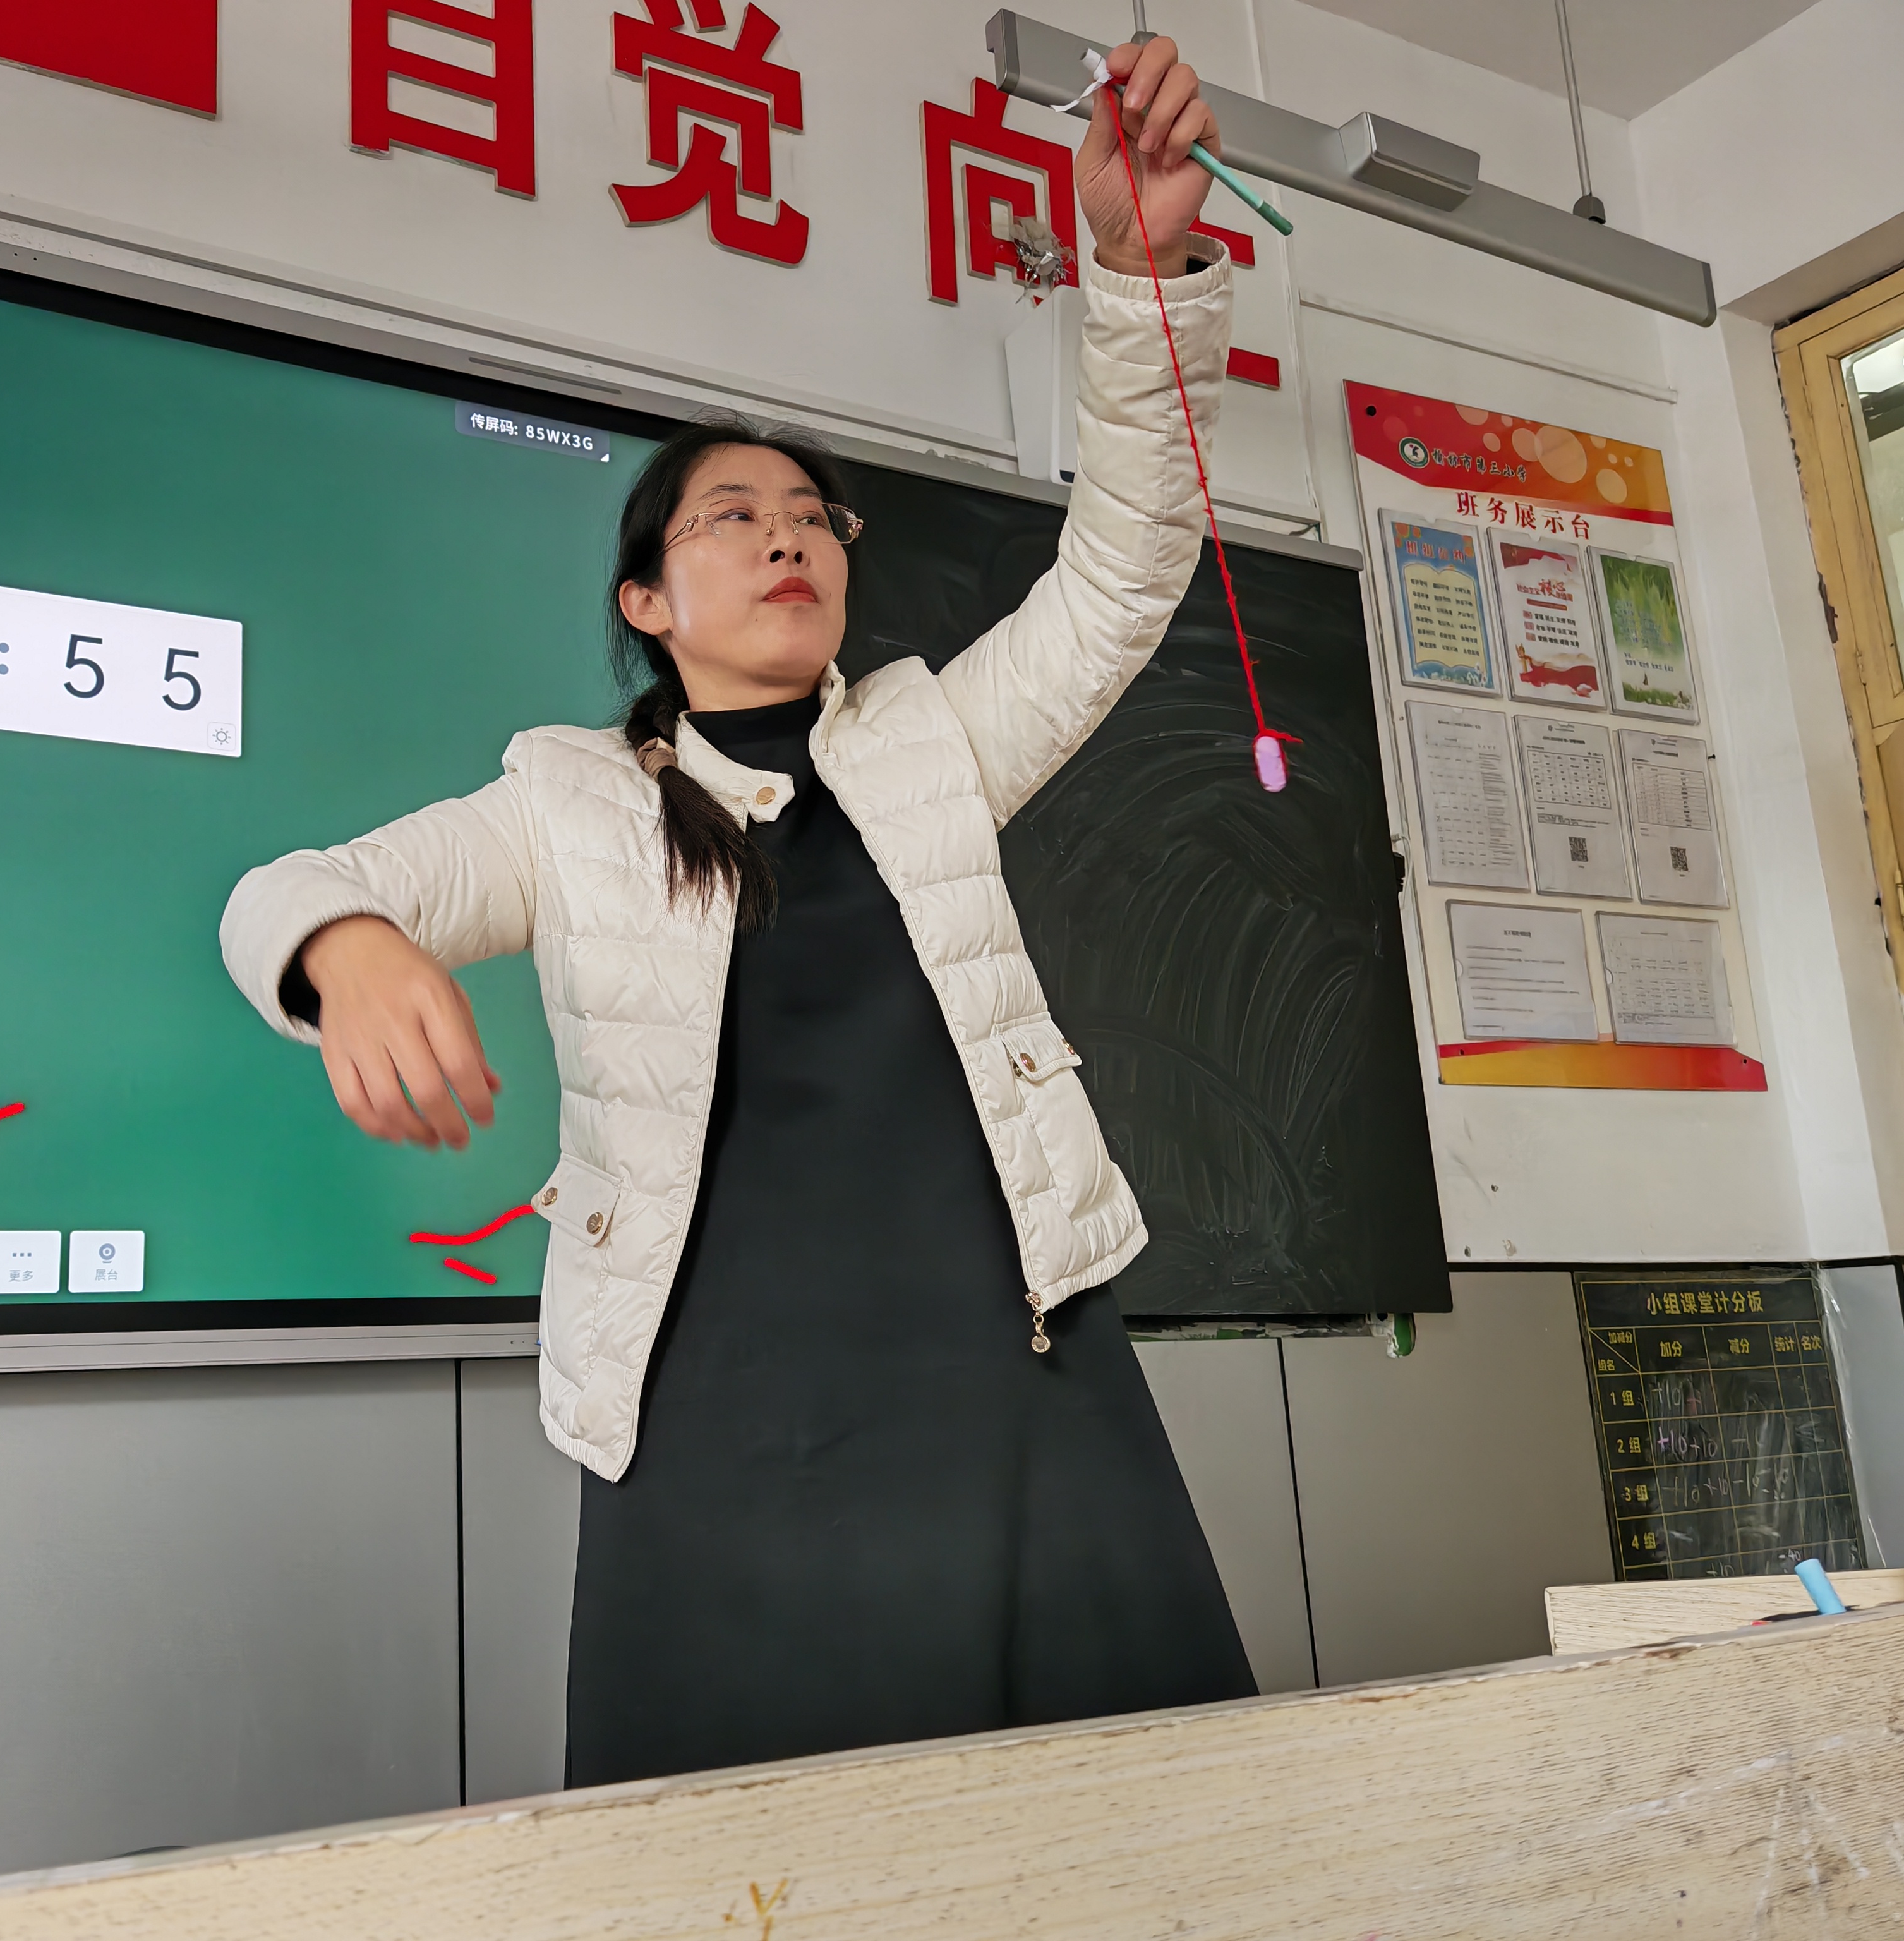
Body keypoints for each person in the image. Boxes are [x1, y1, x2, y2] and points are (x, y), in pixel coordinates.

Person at [221, 35, 1254, 1786]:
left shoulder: (932, 743)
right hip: (719, 1424)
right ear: (648, 595)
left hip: (1018, 1385)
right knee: (749, 1868)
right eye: (732, 517)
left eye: (811, 517)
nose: (790, 538)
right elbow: (289, 886)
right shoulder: (565, 804)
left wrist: (1139, 276)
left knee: (1132, 1834)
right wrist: (346, 949)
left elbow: (1127, 569)